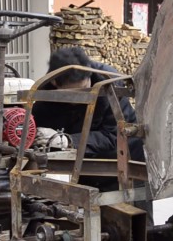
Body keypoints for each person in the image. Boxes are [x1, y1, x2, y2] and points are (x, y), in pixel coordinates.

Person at [31, 47, 145, 189]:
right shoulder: (46, 89)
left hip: (122, 164)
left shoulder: (110, 84)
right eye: (73, 94)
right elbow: (37, 123)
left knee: (132, 208)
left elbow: (113, 135)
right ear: (56, 85)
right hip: (81, 169)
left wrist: (67, 140)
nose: (81, 99)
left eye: (85, 88)